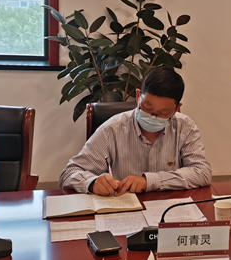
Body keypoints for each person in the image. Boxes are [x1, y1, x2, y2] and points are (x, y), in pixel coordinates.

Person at [59, 66, 211, 194]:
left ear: (177, 109)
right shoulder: (112, 129)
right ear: (138, 96)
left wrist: (148, 181)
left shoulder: (185, 127)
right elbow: (69, 173)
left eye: (163, 113)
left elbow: (202, 172)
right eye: (147, 108)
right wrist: (92, 183)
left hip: (170, 209)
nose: (152, 116)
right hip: (125, 209)